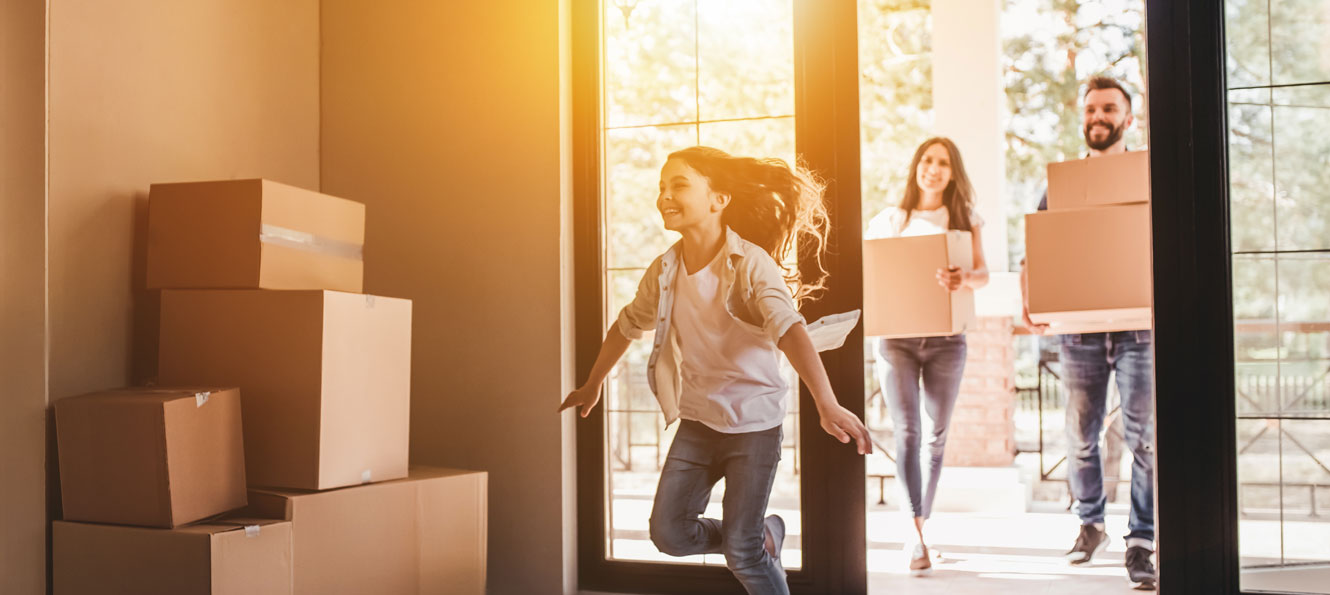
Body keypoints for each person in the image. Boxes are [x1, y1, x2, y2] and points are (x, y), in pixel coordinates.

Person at [560, 146, 871, 595]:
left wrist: (826, 402)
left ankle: (751, 541)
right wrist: (593, 384)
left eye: (679, 185)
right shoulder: (665, 269)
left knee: (742, 556)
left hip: (754, 425)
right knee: (669, 534)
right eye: (661, 187)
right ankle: (760, 532)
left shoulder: (751, 264)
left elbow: (789, 328)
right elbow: (627, 325)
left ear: (718, 199)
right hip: (698, 421)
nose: (664, 196)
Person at [1020, 76, 1157, 591]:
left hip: (1138, 328)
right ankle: (1090, 524)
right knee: (1080, 436)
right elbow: (1035, 250)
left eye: (1109, 108)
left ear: (1128, 117)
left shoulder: (1145, 176)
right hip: (1077, 331)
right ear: (1083, 117)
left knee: (1145, 439)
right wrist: (1031, 301)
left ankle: (1142, 540)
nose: (1098, 116)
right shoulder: (1060, 184)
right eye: (1091, 109)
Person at [865, 137, 990, 576]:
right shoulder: (890, 220)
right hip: (896, 341)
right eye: (926, 160)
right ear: (916, 166)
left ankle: (921, 526)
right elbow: (873, 273)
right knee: (908, 433)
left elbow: (983, 274)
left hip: (946, 340)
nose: (933, 168)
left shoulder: (964, 218)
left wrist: (963, 278)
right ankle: (915, 534)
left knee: (935, 437)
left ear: (953, 172)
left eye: (942, 163)